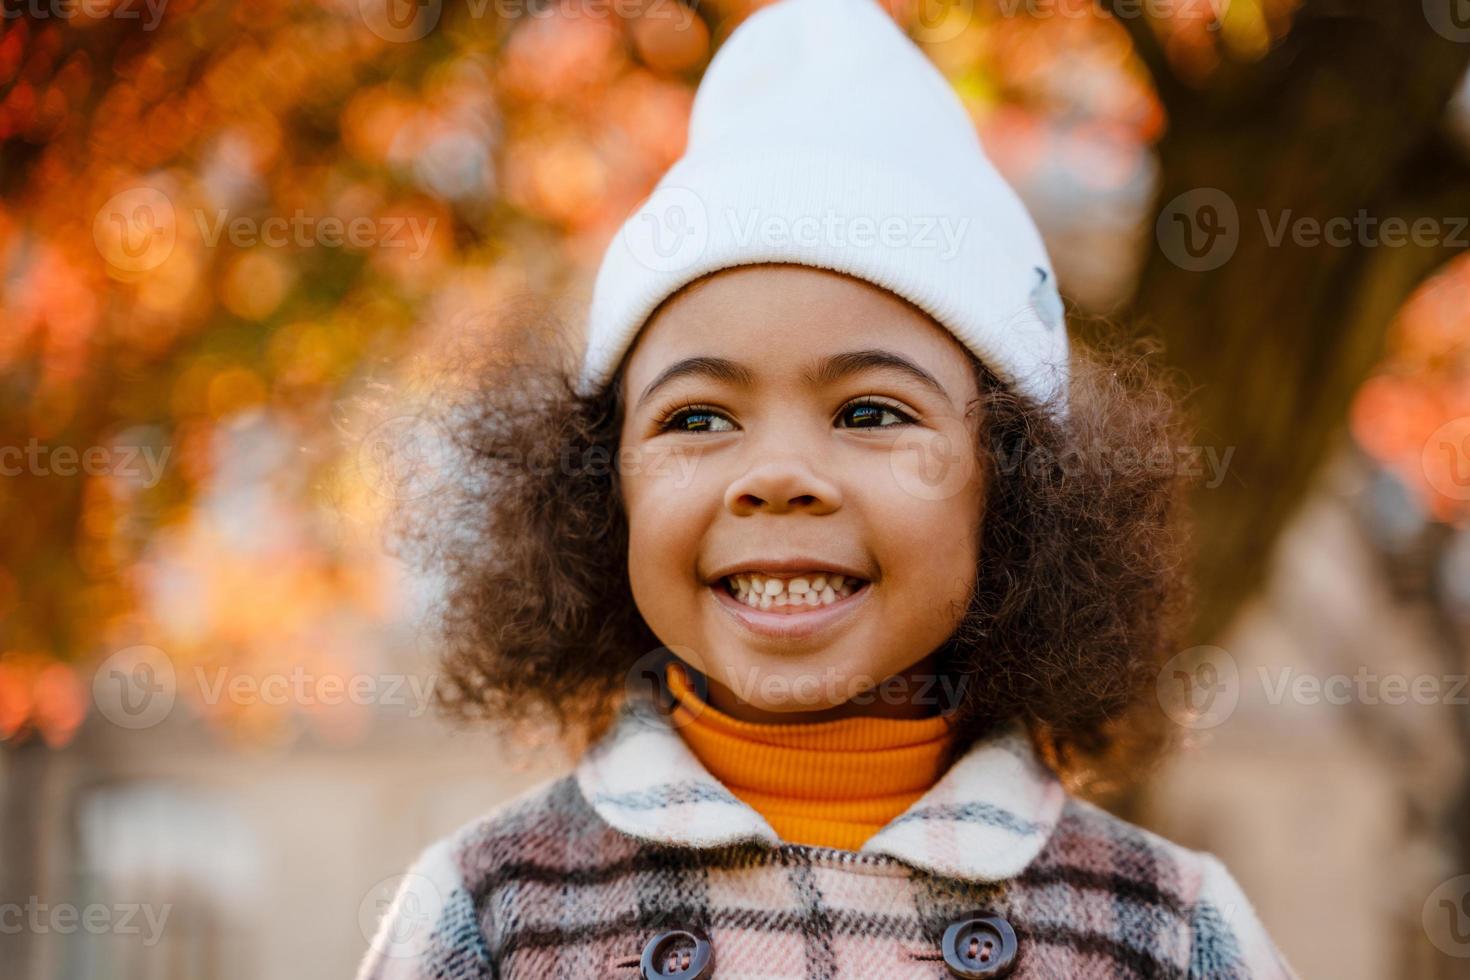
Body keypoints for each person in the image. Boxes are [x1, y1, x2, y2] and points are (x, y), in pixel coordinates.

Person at [356, 0, 1299, 976]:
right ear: (602, 492)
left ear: (1012, 486)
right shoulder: (489, 909)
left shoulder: (1167, 927)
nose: (777, 476)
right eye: (697, 417)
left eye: (871, 412)